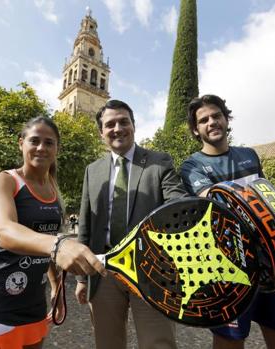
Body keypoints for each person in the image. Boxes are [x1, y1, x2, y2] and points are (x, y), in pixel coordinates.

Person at [0, 116, 106, 349]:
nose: (41, 147)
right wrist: (60, 244)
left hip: (33, 305)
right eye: (34, 140)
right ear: (21, 143)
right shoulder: (3, 181)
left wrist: (55, 287)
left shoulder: (53, 190)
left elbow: (46, 247)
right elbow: (6, 231)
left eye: (49, 143)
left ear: (57, 149)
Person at [180, 94, 275, 349]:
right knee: (229, 342)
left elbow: (269, 199)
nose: (211, 122)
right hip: (228, 269)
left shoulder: (250, 155)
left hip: (272, 262)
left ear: (226, 119)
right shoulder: (192, 165)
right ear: (196, 129)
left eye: (216, 116)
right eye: (203, 120)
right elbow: (216, 205)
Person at [75, 99, 188, 349]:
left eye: (123, 122)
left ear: (134, 125)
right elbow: (86, 225)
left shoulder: (160, 162)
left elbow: (177, 204)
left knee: (158, 343)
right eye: (110, 124)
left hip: (151, 269)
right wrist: (82, 278)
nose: (117, 128)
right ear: (101, 132)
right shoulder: (92, 171)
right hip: (103, 269)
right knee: (107, 342)